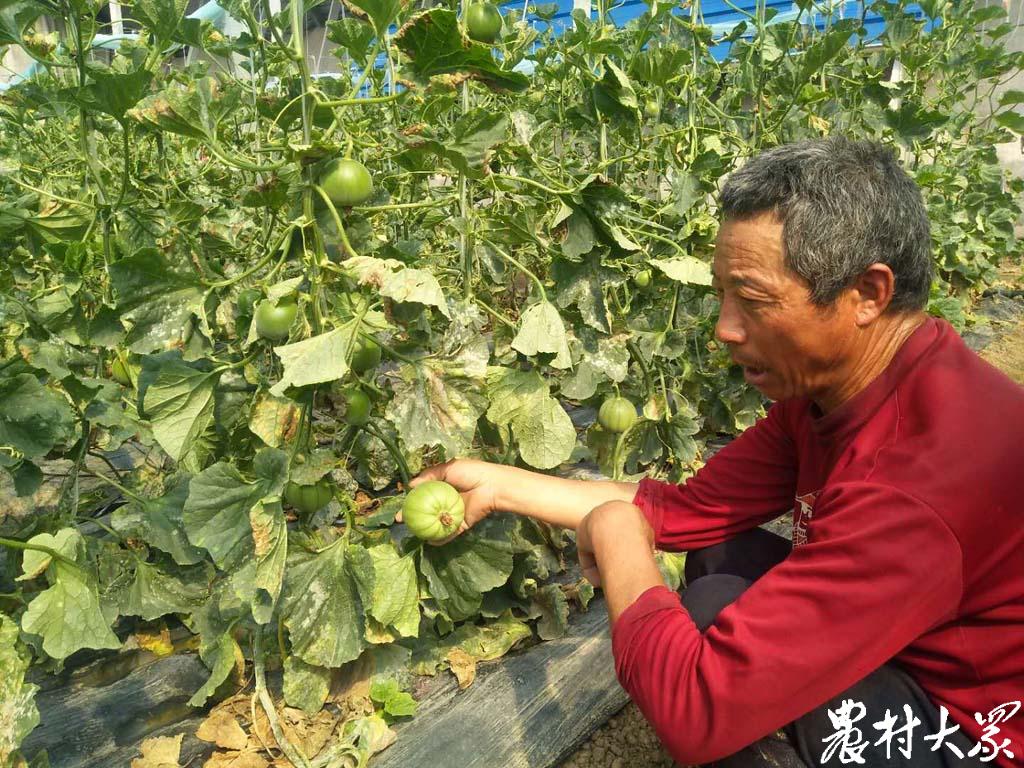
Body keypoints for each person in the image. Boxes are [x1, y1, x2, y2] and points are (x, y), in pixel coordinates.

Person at [408, 138, 1024, 767]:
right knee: (717, 554)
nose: (725, 328)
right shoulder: (846, 392)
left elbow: (695, 712)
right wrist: (495, 484)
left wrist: (618, 536)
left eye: (753, 301)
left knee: (710, 622)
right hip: (914, 650)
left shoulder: (916, 482)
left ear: (867, 294)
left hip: (975, 737)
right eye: (721, 295)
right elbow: (689, 511)